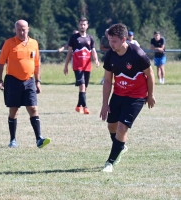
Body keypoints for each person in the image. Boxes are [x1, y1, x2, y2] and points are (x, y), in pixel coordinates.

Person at [100, 23, 156, 173]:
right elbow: (107, 80)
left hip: (136, 96)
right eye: (109, 40)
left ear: (124, 39)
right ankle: (121, 147)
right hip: (118, 94)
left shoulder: (137, 54)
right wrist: (105, 104)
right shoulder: (110, 55)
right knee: (111, 125)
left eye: (114, 41)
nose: (110, 44)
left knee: (122, 127)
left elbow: (150, 74)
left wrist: (150, 95)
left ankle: (110, 162)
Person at [0, 19, 51, 148]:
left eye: (24, 29)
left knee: (33, 108)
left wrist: (38, 81)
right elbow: (0, 63)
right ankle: (13, 140)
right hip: (13, 80)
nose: (22, 32)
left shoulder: (34, 43)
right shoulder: (9, 43)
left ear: (28, 29)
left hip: (29, 80)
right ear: (15, 30)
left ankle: (39, 139)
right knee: (14, 110)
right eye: (19, 30)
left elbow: (37, 64)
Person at [63, 17, 100, 114]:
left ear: (87, 26)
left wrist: (96, 60)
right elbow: (69, 52)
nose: (82, 26)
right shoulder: (74, 38)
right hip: (77, 67)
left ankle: (78, 106)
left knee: (85, 88)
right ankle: (85, 107)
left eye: (84, 24)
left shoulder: (90, 38)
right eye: (81, 24)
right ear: (78, 25)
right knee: (82, 86)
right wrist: (66, 65)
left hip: (87, 66)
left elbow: (93, 51)